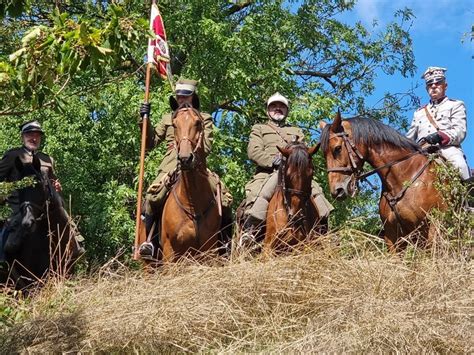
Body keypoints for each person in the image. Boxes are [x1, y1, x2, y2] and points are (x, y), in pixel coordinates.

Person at [138, 78, 233, 258]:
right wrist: (144, 120)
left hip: (197, 164)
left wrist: (190, 150)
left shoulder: (203, 118)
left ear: (193, 98)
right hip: (170, 166)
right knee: (152, 197)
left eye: (186, 97)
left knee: (225, 197)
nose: (182, 100)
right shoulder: (169, 118)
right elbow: (149, 143)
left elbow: (207, 145)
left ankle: (226, 242)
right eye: (179, 97)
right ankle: (149, 242)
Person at [241, 92, 333, 241]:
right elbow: (254, 151)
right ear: (267, 110)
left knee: (316, 190)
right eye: (274, 106)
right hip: (269, 171)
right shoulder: (259, 128)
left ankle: (323, 229)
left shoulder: (296, 131)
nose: (278, 109)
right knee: (258, 192)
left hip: (294, 171)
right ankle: (250, 230)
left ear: (287, 111)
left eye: (281, 106)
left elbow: (303, 151)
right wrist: (272, 161)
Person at [0, 120, 84, 260]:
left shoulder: (47, 159)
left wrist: (57, 186)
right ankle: (3, 262)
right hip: (20, 205)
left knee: (65, 219)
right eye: (29, 134)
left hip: (46, 205)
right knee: (11, 234)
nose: (33, 138)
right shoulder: (13, 156)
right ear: (22, 136)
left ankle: (74, 245)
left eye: (37, 135)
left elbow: (52, 181)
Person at [407, 66, 470, 181]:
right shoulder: (419, 112)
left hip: (447, 149)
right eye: (430, 84)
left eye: (438, 83)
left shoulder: (456, 105)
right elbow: (409, 138)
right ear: (427, 89)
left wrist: (440, 136)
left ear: (445, 86)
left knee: (460, 166)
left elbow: (460, 131)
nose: (434, 86)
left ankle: (469, 197)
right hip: (422, 152)